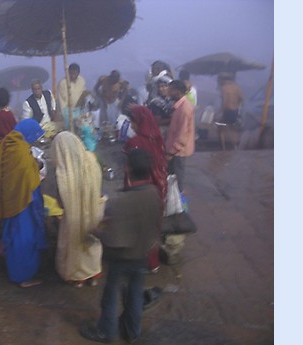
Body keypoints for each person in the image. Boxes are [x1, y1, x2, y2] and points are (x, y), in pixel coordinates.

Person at [80, 148, 162, 344]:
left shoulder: (122, 201)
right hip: (142, 254)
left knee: (110, 295)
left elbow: (114, 239)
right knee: (134, 294)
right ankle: (132, 331)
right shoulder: (153, 194)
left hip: (122, 258)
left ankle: (106, 331)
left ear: (127, 169)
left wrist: (95, 231)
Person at [0, 118, 48, 288]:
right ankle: (23, 276)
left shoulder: (5, 143)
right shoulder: (21, 151)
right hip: (22, 203)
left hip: (7, 200)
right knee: (24, 239)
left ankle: (15, 270)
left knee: (12, 236)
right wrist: (37, 166)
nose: (34, 140)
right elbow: (29, 180)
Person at [49, 131, 107, 288]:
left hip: (74, 217)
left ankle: (77, 278)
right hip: (94, 209)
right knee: (93, 241)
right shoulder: (92, 159)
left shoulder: (62, 173)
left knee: (74, 242)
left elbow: (61, 203)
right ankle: (94, 274)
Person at [122, 101, 168, 273]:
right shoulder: (157, 138)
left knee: (137, 227)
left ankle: (139, 263)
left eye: (133, 121)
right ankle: (153, 263)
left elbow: (130, 170)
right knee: (153, 227)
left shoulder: (135, 142)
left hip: (141, 188)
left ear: (139, 122)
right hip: (158, 188)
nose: (132, 125)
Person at [165, 79, 195, 194]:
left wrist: (171, 152)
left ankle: (179, 203)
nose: (168, 93)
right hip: (176, 148)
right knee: (173, 177)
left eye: (170, 90)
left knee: (177, 178)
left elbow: (182, 135)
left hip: (178, 150)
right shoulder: (181, 106)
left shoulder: (184, 109)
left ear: (177, 92)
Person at [217, 72, 243, 150]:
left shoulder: (224, 87)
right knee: (232, 128)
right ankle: (235, 146)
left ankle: (223, 147)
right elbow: (241, 98)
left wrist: (220, 112)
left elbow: (224, 101)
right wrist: (236, 105)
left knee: (221, 129)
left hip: (227, 110)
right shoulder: (236, 87)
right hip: (235, 110)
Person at [57, 63, 87, 128]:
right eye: (71, 73)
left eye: (75, 73)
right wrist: (67, 117)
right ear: (68, 72)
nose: (73, 75)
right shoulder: (63, 83)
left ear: (78, 72)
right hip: (68, 114)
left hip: (80, 112)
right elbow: (62, 103)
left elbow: (84, 95)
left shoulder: (82, 80)